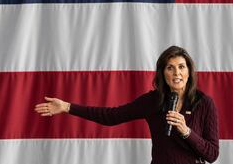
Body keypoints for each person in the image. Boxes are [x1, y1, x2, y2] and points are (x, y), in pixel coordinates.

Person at [34, 46, 219, 164]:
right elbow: (111, 116)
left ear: (189, 72)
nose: (176, 72)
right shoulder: (153, 101)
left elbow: (212, 154)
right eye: (170, 67)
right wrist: (67, 107)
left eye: (181, 66)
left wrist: (186, 131)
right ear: (163, 73)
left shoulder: (204, 103)